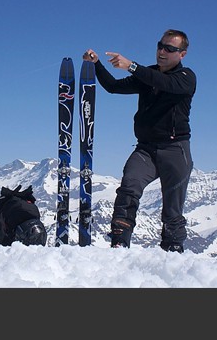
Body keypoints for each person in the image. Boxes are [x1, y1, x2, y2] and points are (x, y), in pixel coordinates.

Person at [82, 29, 196, 252]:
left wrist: (131, 66)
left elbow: (165, 83)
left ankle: (172, 251)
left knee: (172, 207)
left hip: (175, 149)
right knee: (128, 188)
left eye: (170, 49)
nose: (162, 51)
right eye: (160, 46)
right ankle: (119, 244)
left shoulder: (186, 78)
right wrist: (96, 64)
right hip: (146, 149)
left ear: (182, 54)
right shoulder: (147, 75)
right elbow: (113, 88)